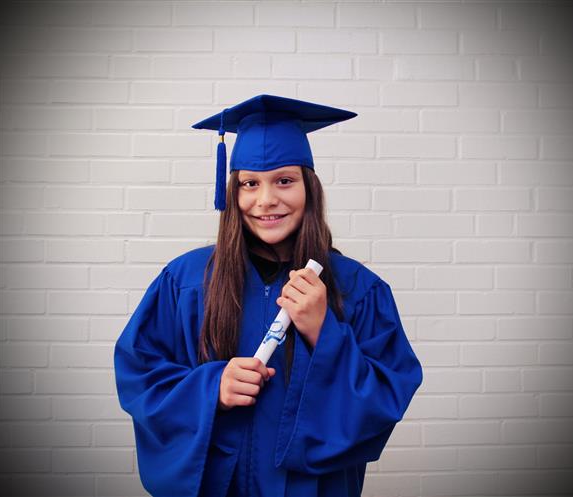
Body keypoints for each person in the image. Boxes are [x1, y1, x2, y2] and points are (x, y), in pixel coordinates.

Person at [114, 94, 423, 497]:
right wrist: (211, 389)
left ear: (309, 188)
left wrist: (323, 331)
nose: (266, 200)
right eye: (249, 184)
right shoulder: (185, 280)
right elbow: (139, 375)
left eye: (284, 181)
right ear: (232, 191)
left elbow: (385, 399)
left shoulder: (357, 289)